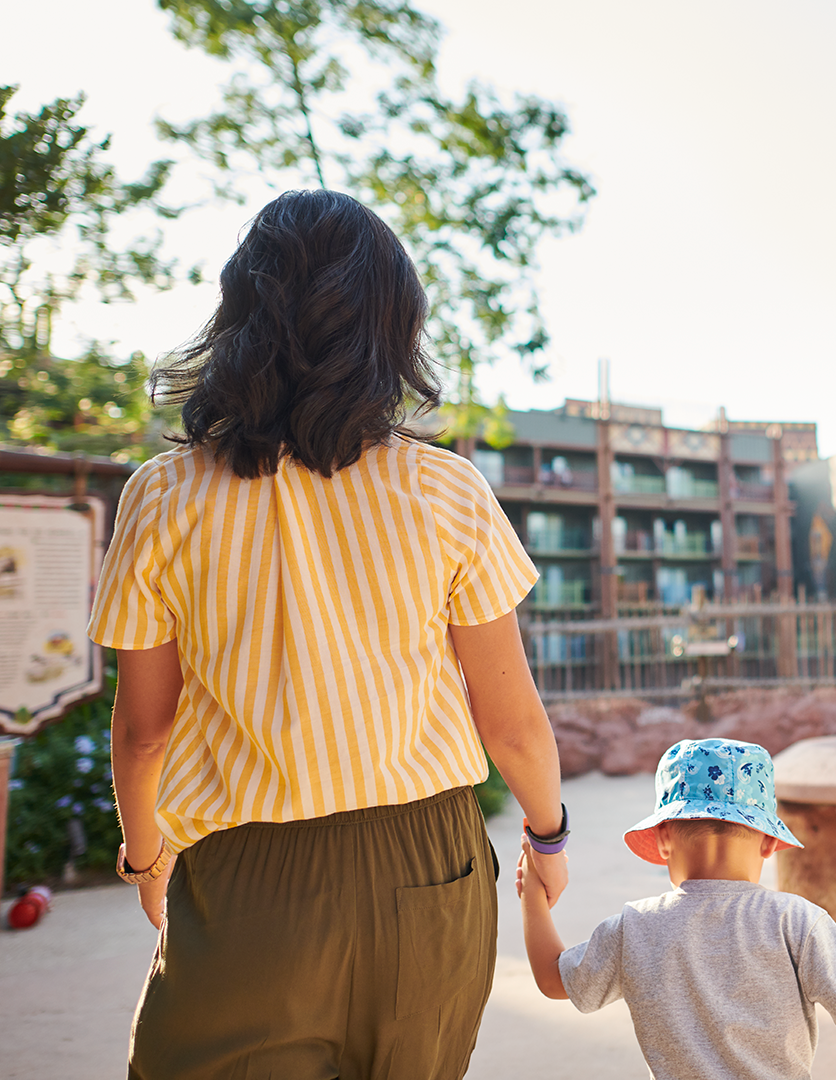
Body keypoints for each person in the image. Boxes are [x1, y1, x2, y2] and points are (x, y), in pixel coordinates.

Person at [91, 189, 568, 1080]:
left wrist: (147, 859)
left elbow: (143, 729)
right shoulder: (446, 491)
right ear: (391, 327)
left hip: (247, 880)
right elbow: (511, 723)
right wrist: (548, 840)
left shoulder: (163, 496)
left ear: (240, 317)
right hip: (434, 869)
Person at [516, 738, 836, 1079]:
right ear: (767, 842)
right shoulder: (796, 921)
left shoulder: (634, 928)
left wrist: (534, 901)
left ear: (665, 837)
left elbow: (553, 979)